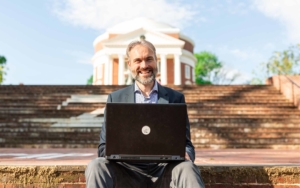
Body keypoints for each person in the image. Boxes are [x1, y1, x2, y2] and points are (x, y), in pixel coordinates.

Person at [85, 40, 205, 188]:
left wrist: (187, 154)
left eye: (149, 59)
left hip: (165, 170)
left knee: (187, 168)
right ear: (129, 65)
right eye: (138, 61)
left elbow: (186, 144)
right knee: (96, 165)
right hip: (127, 171)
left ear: (156, 60)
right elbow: (103, 147)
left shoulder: (175, 98)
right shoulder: (116, 99)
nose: (144, 65)